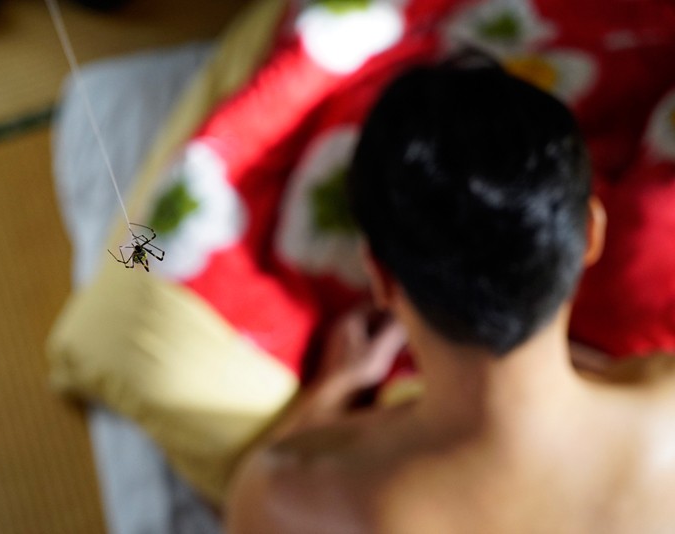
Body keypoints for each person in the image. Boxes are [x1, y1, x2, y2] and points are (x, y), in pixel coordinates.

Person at [226, 54, 675, 533]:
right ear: (591, 235)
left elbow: (258, 486)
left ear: (380, 276)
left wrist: (332, 389)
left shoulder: (289, 496)